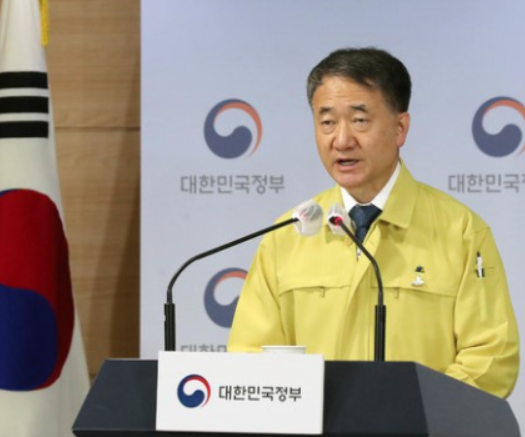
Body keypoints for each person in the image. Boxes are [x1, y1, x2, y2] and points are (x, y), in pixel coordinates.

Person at [227, 47, 519, 398]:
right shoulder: (287, 234)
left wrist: (413, 413)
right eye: (327, 122)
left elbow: (490, 358)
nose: (342, 140)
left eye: (360, 120)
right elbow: (251, 356)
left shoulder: (461, 232)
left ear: (400, 128)